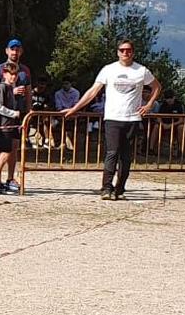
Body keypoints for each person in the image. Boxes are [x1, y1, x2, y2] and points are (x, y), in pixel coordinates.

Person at [59, 37, 162, 199]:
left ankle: (120, 189)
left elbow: (156, 87)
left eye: (128, 50)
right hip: (113, 118)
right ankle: (106, 188)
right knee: (112, 153)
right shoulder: (108, 69)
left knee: (126, 156)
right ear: (118, 52)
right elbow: (93, 91)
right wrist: (75, 108)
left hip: (132, 118)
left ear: (133, 53)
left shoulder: (141, 70)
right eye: (122, 50)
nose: (125, 53)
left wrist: (149, 105)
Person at [0, 39, 31, 195]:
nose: (15, 52)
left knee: (12, 148)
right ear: (7, 51)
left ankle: (9, 179)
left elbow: (29, 94)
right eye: (12, 49)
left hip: (17, 118)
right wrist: (10, 93)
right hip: (1, 119)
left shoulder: (25, 71)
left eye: (17, 49)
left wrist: (28, 114)